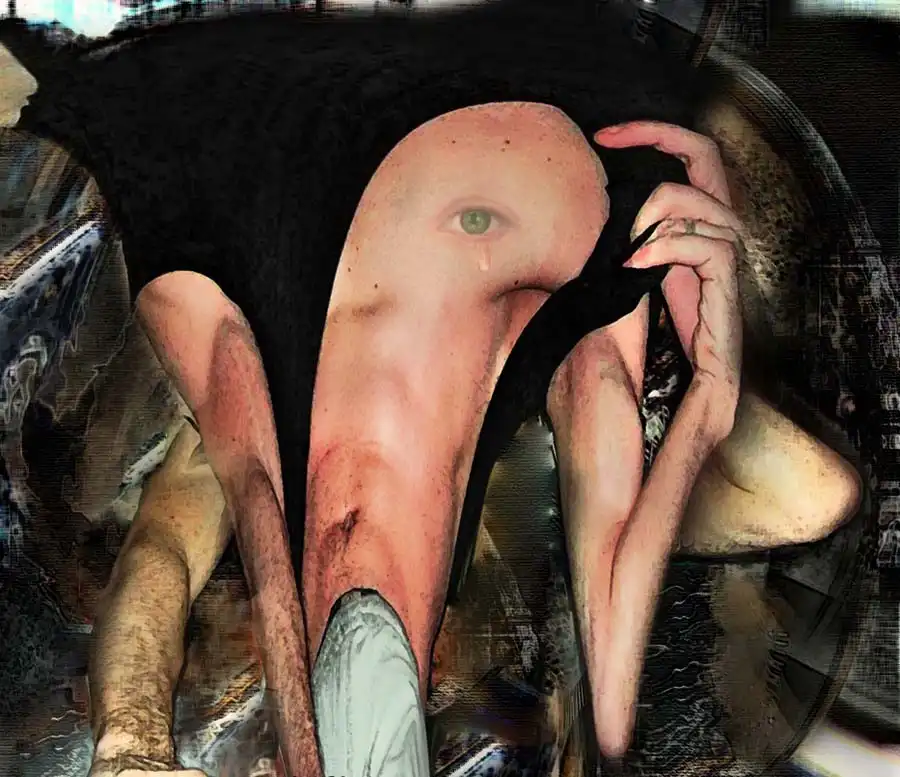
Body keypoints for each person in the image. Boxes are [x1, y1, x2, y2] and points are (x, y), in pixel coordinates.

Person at [0, 4, 862, 776]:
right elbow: (803, 495)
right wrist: (708, 398)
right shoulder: (551, 394)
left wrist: (134, 740)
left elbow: (164, 546)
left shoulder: (236, 424)